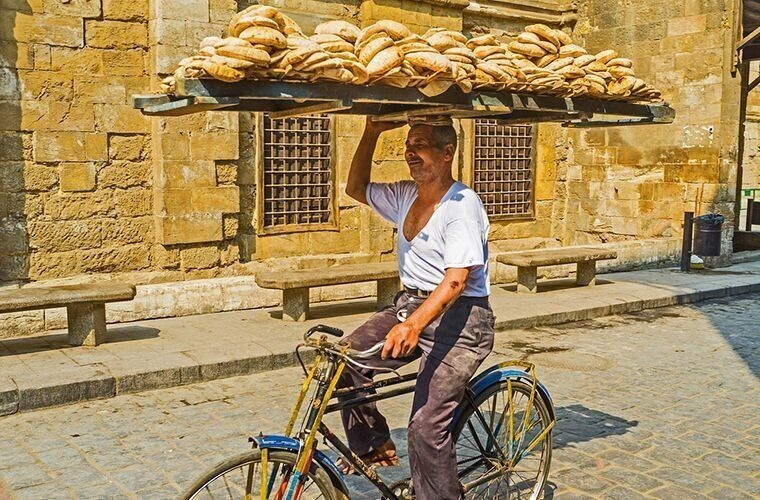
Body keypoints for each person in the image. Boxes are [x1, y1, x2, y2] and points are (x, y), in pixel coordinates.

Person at [338, 115, 495, 500]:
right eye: (409, 144)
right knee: (345, 360)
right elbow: (355, 188)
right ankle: (373, 445)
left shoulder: (461, 205)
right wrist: (371, 132)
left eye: (420, 144)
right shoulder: (406, 195)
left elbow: (456, 280)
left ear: (447, 153)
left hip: (462, 319)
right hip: (412, 305)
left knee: (426, 429)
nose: (410, 152)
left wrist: (412, 327)